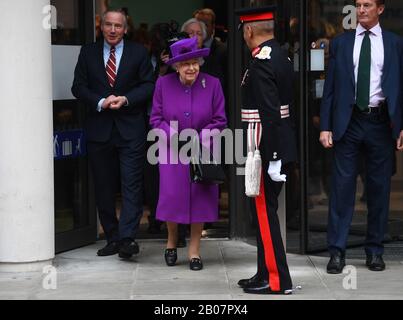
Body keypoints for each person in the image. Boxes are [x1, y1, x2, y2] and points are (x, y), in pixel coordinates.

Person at [320, 0, 403, 274]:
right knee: (342, 190)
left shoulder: (394, 43)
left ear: (380, 9)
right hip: (349, 122)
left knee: (379, 191)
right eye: (358, 5)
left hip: (381, 123)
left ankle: (375, 251)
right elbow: (330, 88)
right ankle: (337, 252)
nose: (361, 10)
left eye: (367, 5)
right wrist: (325, 126)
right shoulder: (341, 44)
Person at [72, 9, 155, 259]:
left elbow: (149, 85)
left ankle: (128, 238)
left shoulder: (139, 52)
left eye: (117, 26)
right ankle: (112, 238)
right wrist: (100, 101)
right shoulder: (87, 52)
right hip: (99, 129)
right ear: (101, 27)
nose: (112, 30)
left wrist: (126, 99)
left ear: (125, 29)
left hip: (131, 129)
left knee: (132, 185)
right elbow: (78, 87)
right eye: (108, 25)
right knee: (104, 187)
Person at [150, 37, 227, 271]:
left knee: (200, 199)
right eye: (185, 64)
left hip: (202, 150)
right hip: (171, 151)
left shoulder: (213, 84)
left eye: (194, 62)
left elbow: (220, 120)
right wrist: (175, 138)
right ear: (176, 66)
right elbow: (155, 119)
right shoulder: (163, 84)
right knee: (173, 198)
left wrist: (198, 139)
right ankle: (172, 240)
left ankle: (194, 250)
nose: (191, 68)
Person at [236, 6, 297, 295]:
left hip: (264, 145)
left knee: (264, 214)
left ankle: (276, 280)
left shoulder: (261, 62)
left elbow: (270, 114)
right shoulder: (280, 55)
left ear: (249, 30)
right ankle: (264, 272)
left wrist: (271, 158)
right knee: (263, 214)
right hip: (275, 142)